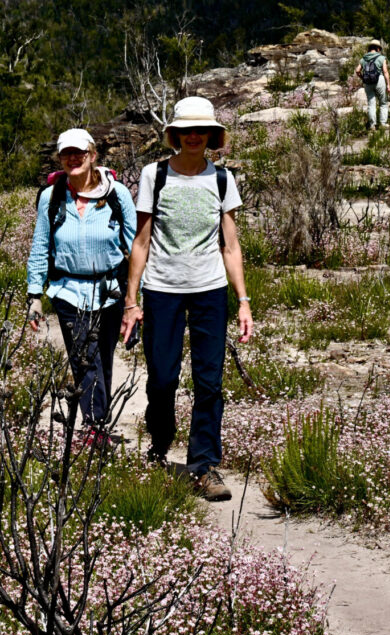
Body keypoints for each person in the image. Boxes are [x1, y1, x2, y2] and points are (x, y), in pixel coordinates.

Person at [121, 96, 253, 502]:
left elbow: (231, 246)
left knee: (209, 382)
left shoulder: (222, 179)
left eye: (202, 130)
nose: (194, 136)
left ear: (212, 135)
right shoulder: (153, 176)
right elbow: (140, 241)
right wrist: (131, 300)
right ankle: (160, 444)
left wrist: (243, 301)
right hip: (162, 290)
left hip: (210, 291)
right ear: (175, 135)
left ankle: (204, 465)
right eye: (187, 130)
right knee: (162, 379)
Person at [26, 128, 137, 447]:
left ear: (93, 155)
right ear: (60, 158)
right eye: (66, 154)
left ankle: (97, 422)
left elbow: (137, 246)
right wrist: (35, 294)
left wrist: (138, 297)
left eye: (80, 152)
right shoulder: (51, 197)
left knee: (102, 356)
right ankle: (95, 428)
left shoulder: (118, 195)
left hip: (110, 291)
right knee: (85, 360)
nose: (73, 158)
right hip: (67, 291)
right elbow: (40, 245)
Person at [355, 39, 390, 130]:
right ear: (378, 48)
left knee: (371, 104)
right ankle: (383, 123)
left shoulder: (363, 59)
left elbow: (357, 70)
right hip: (379, 80)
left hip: (367, 83)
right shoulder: (381, 58)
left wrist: (363, 78)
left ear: (369, 48)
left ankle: (372, 125)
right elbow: (385, 72)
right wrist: (388, 85)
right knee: (383, 103)